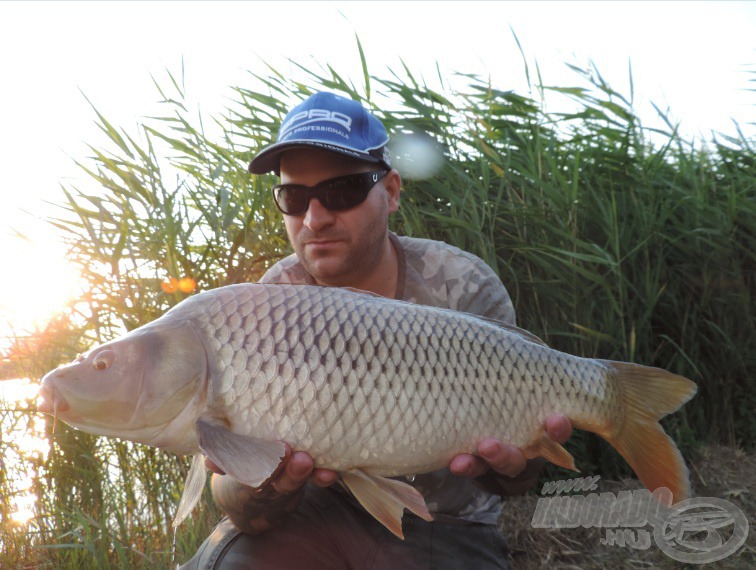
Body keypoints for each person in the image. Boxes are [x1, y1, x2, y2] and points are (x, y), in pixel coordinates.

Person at [181, 92, 571, 569]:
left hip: (446, 522)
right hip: (318, 513)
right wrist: (260, 481)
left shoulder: (462, 285)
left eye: (341, 192)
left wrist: (516, 464)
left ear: (389, 191)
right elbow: (241, 506)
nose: (315, 218)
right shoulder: (273, 299)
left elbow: (518, 476)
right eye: (294, 197)